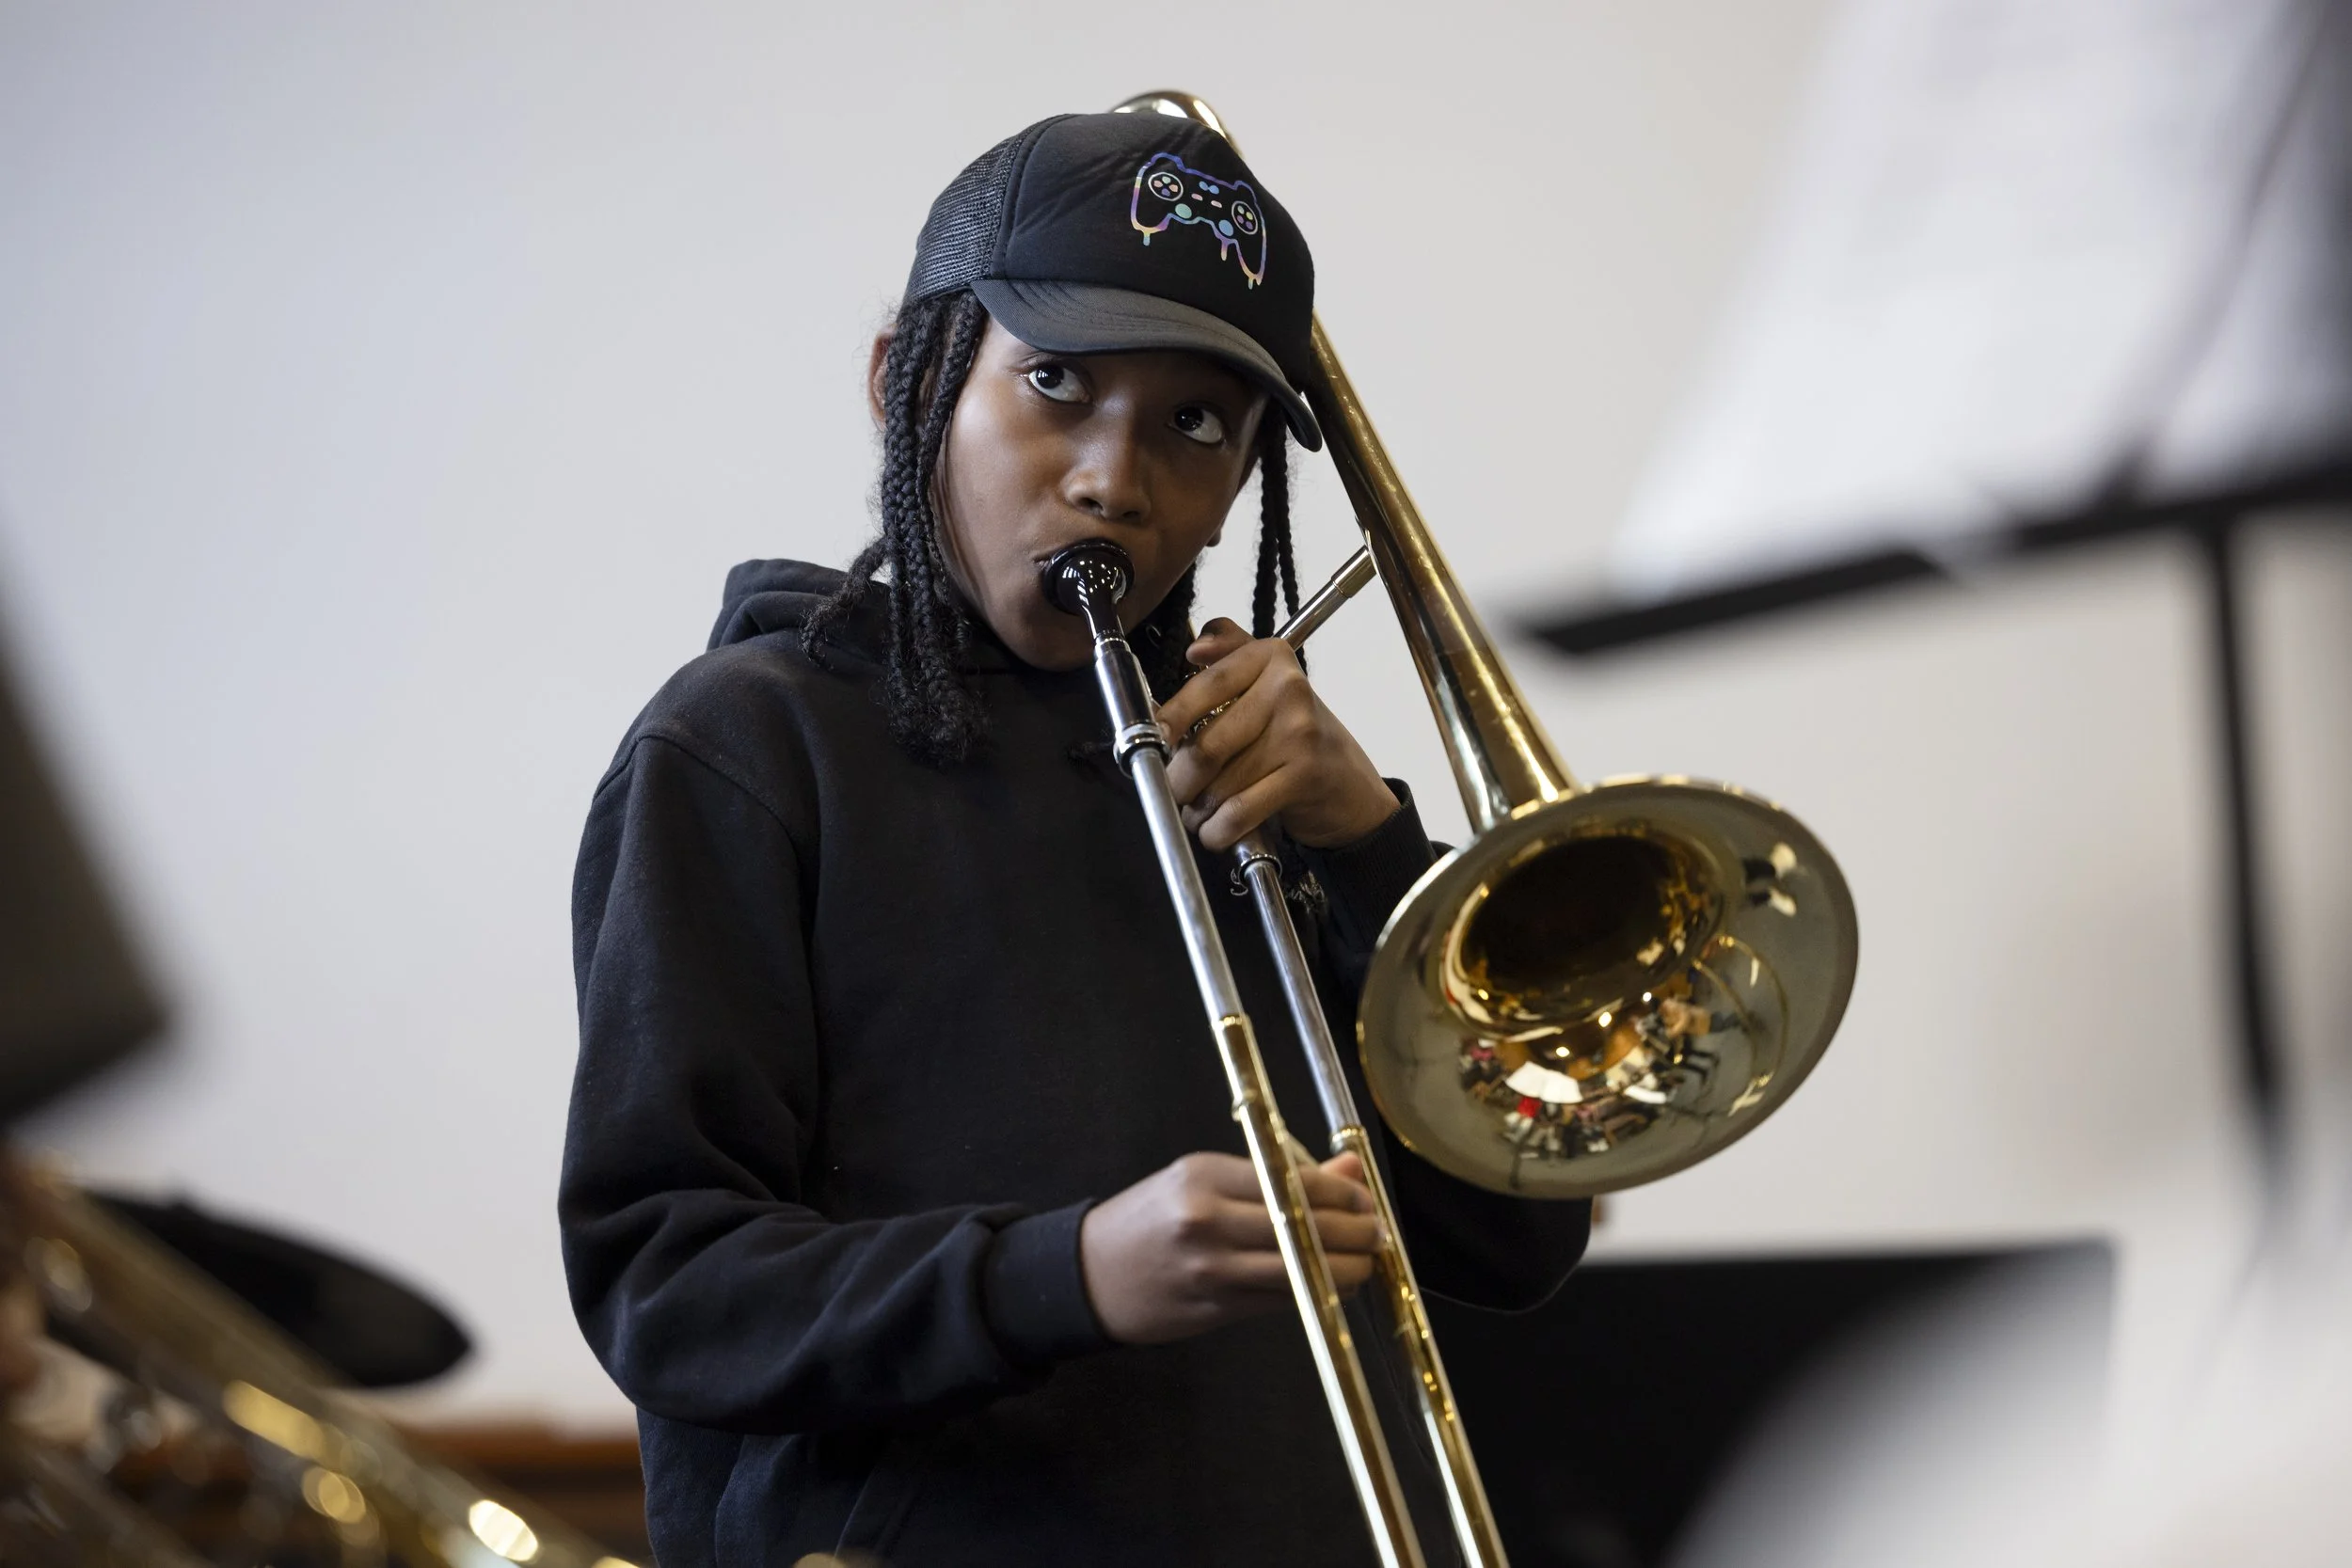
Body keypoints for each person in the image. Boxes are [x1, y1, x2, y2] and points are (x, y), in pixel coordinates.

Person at [560, 110, 1591, 1568]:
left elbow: (1515, 1243)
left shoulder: (1253, 774)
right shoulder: (742, 745)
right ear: (902, 383)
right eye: (1054, 382)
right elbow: (663, 1283)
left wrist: (1364, 840)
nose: (1115, 477)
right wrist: (1068, 1272)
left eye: (1195, 423)